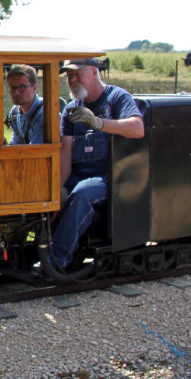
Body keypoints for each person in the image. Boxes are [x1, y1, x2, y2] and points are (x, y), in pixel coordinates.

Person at [45, 58, 144, 271]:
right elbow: (66, 151)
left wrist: (98, 123)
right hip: (79, 175)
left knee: (82, 194)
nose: (72, 79)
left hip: (111, 177)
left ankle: (57, 262)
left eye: (76, 74)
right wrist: (57, 189)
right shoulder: (71, 108)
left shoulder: (117, 97)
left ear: (93, 71)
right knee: (50, 196)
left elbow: (137, 128)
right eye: (69, 75)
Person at [6, 64, 44, 144]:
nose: (16, 92)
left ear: (34, 88)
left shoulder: (44, 114)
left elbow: (35, 151)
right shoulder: (15, 112)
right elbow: (16, 143)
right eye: (12, 87)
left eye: (22, 87)